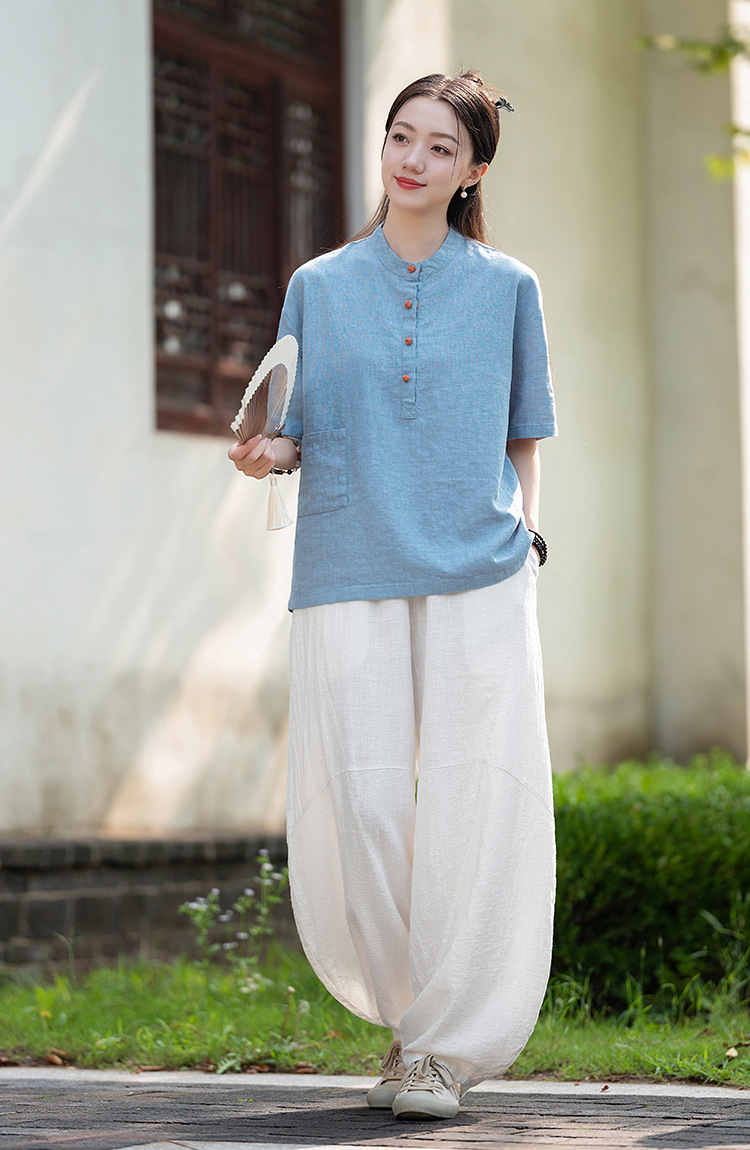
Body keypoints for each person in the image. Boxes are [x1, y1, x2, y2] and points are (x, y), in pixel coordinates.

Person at [228, 71, 557, 1121]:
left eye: (439, 148)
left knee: (474, 799)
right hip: (347, 561)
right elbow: (297, 430)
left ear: (473, 172)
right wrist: (268, 453)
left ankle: (442, 1052)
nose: (412, 160)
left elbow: (526, 432)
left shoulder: (509, 287)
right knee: (364, 800)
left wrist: (528, 536)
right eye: (400, 137)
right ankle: (416, 1022)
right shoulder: (319, 285)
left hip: (480, 571)